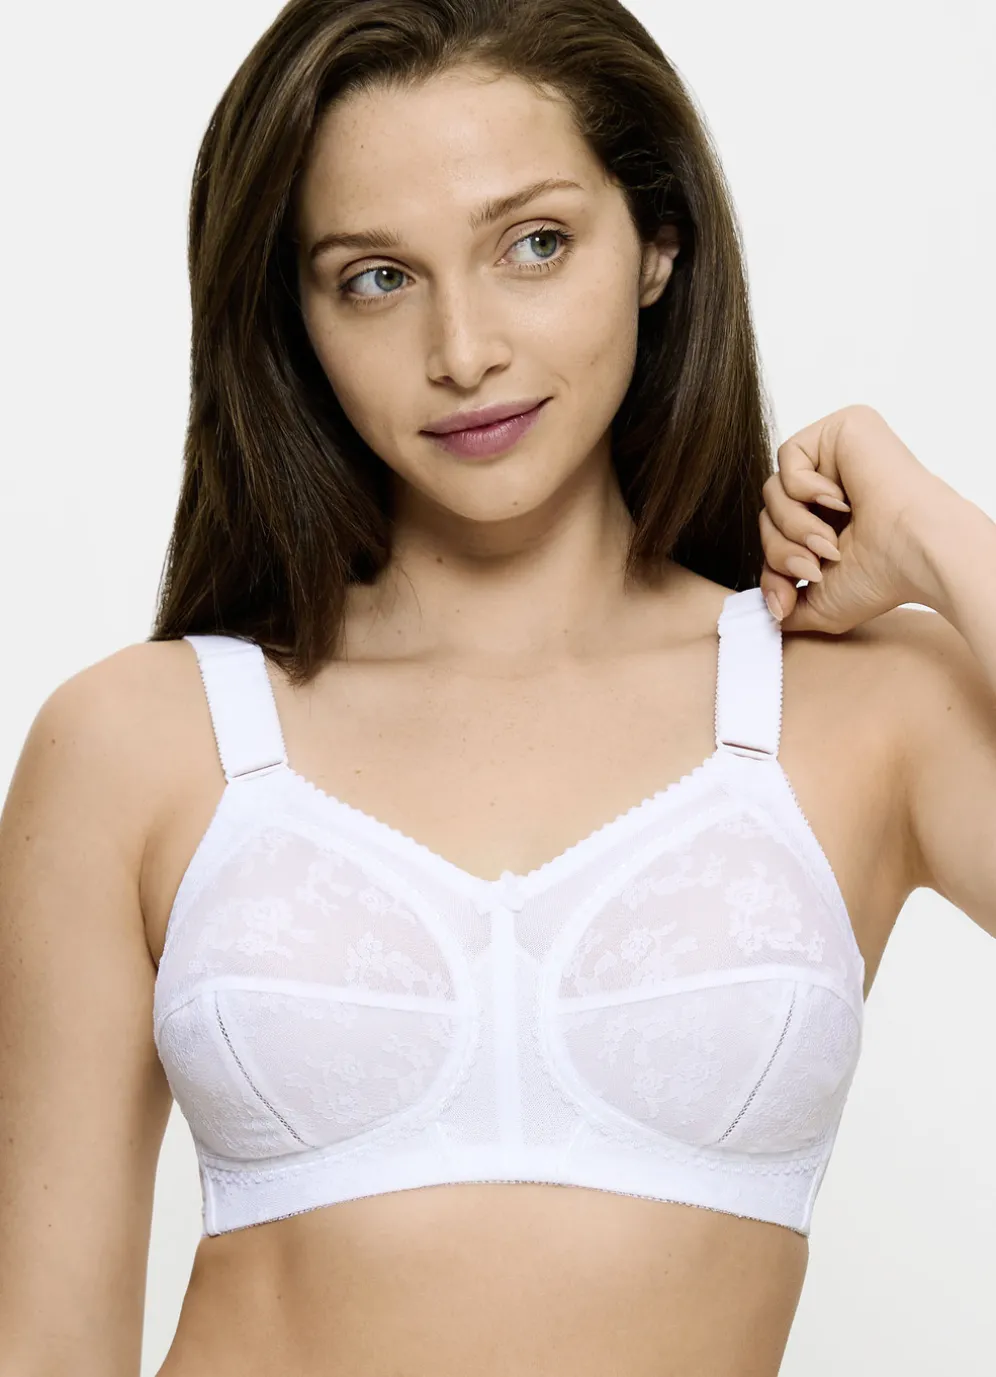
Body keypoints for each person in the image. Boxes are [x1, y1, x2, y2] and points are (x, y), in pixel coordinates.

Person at [3, 1, 996, 1375]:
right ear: (295, 317)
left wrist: (945, 537)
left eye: (534, 244)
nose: (462, 349)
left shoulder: (864, 712)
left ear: (659, 244)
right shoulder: (136, 744)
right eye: (375, 278)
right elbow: (43, 1345)